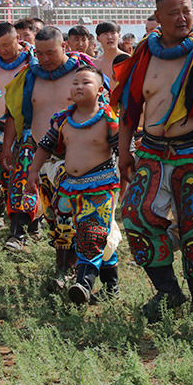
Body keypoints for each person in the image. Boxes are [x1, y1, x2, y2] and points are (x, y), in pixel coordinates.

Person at [113, 0, 193, 322]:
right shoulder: (144, 53)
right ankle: (168, 291)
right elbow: (129, 105)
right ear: (158, 17)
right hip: (151, 150)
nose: (182, 18)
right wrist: (124, 152)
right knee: (135, 217)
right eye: (173, 13)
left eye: (186, 10)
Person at [1, 27, 97, 276]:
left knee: (72, 215)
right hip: (38, 154)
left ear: (64, 47)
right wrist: (7, 145)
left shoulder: (82, 74)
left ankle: (72, 271)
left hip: (75, 157)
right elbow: (14, 113)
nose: (44, 59)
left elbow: (102, 110)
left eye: (50, 53)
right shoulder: (30, 76)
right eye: (39, 53)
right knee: (54, 216)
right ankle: (62, 268)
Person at [26, 66, 123, 304]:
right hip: (70, 187)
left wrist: (131, 176)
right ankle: (112, 287)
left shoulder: (108, 118)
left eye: (85, 83)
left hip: (102, 186)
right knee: (86, 234)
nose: (79, 86)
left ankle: (84, 283)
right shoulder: (62, 120)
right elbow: (45, 146)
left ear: (100, 90)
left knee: (92, 234)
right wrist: (33, 171)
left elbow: (123, 149)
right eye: (75, 82)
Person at [0, 23, 32, 232]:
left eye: (7, 45)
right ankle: (0, 213)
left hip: (26, 129)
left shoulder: (31, 61)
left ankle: (27, 222)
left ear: (18, 38)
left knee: (23, 175)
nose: (2, 50)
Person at [95, 21, 127, 88]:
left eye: (113, 33)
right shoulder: (95, 64)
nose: (109, 37)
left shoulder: (128, 59)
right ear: (98, 38)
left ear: (119, 36)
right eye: (105, 34)